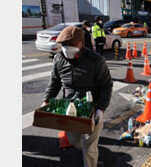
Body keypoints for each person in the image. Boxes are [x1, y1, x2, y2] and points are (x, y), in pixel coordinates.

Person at [41, 26, 113, 167]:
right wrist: (46, 100)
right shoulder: (58, 59)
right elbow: (54, 82)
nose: (67, 48)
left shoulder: (96, 61)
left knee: (88, 146)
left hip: (91, 109)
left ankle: (90, 157)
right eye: (63, 44)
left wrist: (101, 109)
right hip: (69, 109)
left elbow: (106, 85)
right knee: (73, 140)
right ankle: (90, 152)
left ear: (82, 43)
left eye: (71, 44)